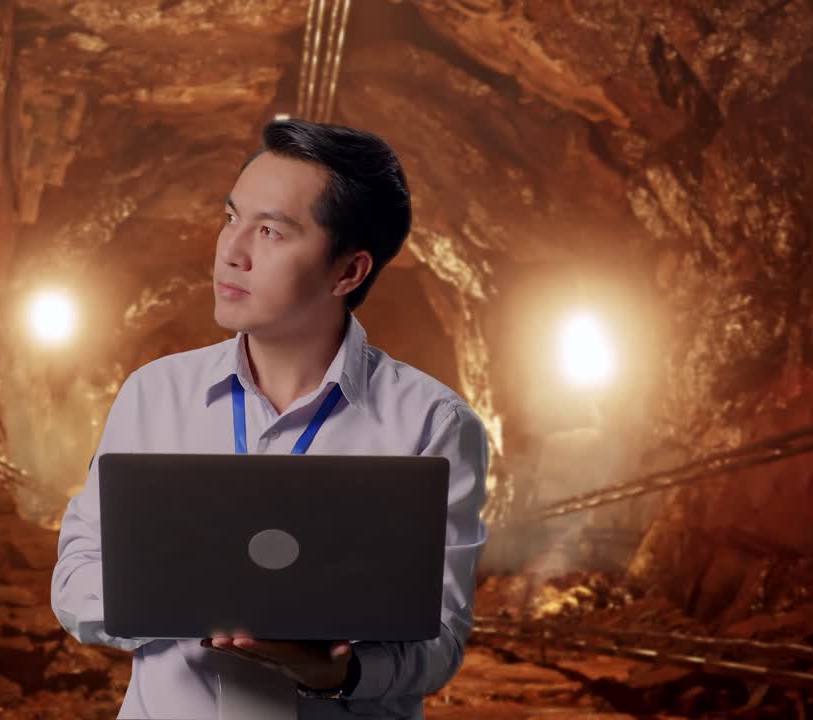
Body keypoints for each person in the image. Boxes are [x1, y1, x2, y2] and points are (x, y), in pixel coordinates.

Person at [51, 118, 489, 719]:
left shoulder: (432, 424)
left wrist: (338, 672)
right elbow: (73, 581)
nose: (232, 252)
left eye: (269, 231)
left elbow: (438, 638)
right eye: (231, 218)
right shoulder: (154, 394)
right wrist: (172, 599)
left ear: (348, 272)